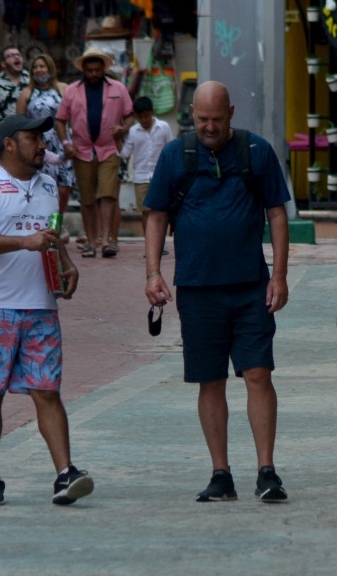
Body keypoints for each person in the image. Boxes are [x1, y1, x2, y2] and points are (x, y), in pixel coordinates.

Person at [143, 81, 292, 504]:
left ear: (231, 111)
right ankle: (220, 473)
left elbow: (277, 215)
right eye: (201, 119)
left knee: (258, 374)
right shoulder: (176, 155)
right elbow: (155, 216)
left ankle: (267, 470)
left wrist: (278, 276)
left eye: (217, 119)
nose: (209, 127)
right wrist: (153, 272)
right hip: (197, 288)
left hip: (250, 287)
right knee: (210, 381)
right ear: (192, 113)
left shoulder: (256, 151)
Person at [0, 113, 93, 507]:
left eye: (42, 137)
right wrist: (23, 242)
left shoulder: (48, 184)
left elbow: (48, 234)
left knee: (48, 391)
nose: (42, 144)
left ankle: (66, 474)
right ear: (9, 143)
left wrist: (66, 262)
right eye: (33, 137)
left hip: (41, 309)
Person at [55, 49, 135, 259]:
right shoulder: (72, 91)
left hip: (109, 148)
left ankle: (107, 240)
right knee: (87, 198)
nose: (93, 74)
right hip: (81, 151)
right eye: (89, 70)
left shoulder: (118, 88)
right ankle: (91, 241)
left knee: (108, 194)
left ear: (103, 69)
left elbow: (129, 115)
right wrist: (66, 143)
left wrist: (123, 129)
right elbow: (60, 119)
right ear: (83, 70)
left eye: (97, 70)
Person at [15, 54, 72, 227]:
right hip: (40, 144)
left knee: (63, 188)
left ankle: (56, 224)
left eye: (43, 66)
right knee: (44, 188)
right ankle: (43, 225)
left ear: (50, 68)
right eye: (36, 67)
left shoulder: (63, 89)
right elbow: (19, 121)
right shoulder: (26, 93)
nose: (39, 70)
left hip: (62, 141)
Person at [119, 95, 173, 241]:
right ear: (136, 116)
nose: (144, 120)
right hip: (141, 177)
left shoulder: (164, 127)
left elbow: (170, 149)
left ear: (152, 112)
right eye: (140, 117)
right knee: (145, 212)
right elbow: (124, 154)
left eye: (147, 116)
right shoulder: (133, 132)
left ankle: (161, 242)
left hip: (160, 176)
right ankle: (149, 243)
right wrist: (117, 138)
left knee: (161, 210)